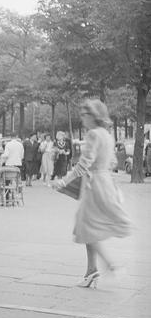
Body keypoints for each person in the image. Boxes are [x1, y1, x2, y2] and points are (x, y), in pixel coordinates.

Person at [52, 100, 131, 288]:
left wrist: (63, 181)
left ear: (93, 116)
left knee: (85, 227)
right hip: (104, 183)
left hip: (94, 185)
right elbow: (111, 162)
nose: (82, 118)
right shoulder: (107, 135)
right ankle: (91, 271)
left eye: (84, 115)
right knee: (88, 226)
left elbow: (83, 164)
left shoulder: (93, 134)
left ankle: (111, 265)